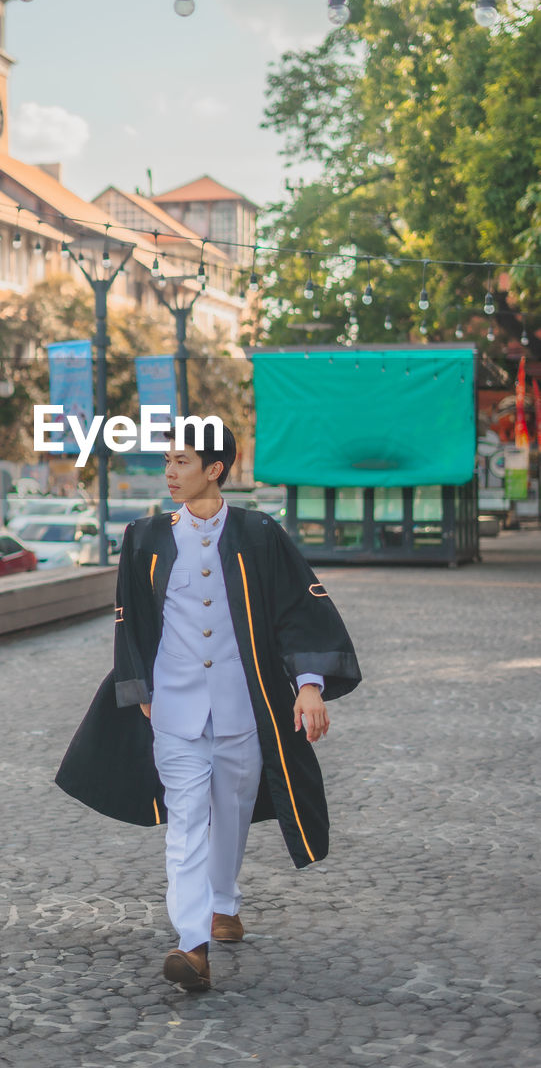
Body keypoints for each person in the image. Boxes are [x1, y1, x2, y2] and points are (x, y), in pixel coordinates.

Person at [56, 421, 361, 992]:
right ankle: (191, 944)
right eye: (167, 461)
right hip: (173, 709)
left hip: (244, 710)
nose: (169, 472)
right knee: (188, 820)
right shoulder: (144, 536)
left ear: (215, 469)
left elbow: (298, 612)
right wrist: (137, 689)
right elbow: (130, 622)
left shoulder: (259, 534)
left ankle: (223, 900)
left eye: (181, 461)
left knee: (232, 814)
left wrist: (311, 685)